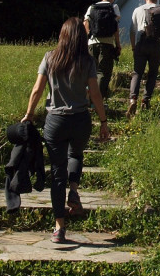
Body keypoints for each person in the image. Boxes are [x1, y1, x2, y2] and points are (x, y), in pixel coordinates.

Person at [21, 17, 110, 244]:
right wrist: (103, 121)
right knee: (76, 155)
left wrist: (29, 115)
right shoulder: (87, 61)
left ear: (62, 35)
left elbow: (37, 89)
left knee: (57, 173)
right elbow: (96, 93)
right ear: (82, 37)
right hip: (80, 120)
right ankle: (74, 190)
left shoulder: (49, 58)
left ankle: (59, 226)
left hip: (55, 121)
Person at [128, 0, 160, 117]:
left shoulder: (137, 10)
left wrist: (134, 47)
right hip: (156, 44)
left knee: (137, 73)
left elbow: (132, 30)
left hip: (141, 42)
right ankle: (145, 100)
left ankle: (133, 99)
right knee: (152, 74)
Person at [84, 0, 121, 102]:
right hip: (107, 44)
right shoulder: (113, 7)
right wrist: (118, 45)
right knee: (103, 73)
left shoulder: (92, 7)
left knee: (91, 72)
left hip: (92, 43)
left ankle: (87, 98)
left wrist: (89, 36)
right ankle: (98, 101)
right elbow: (115, 28)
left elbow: (85, 23)